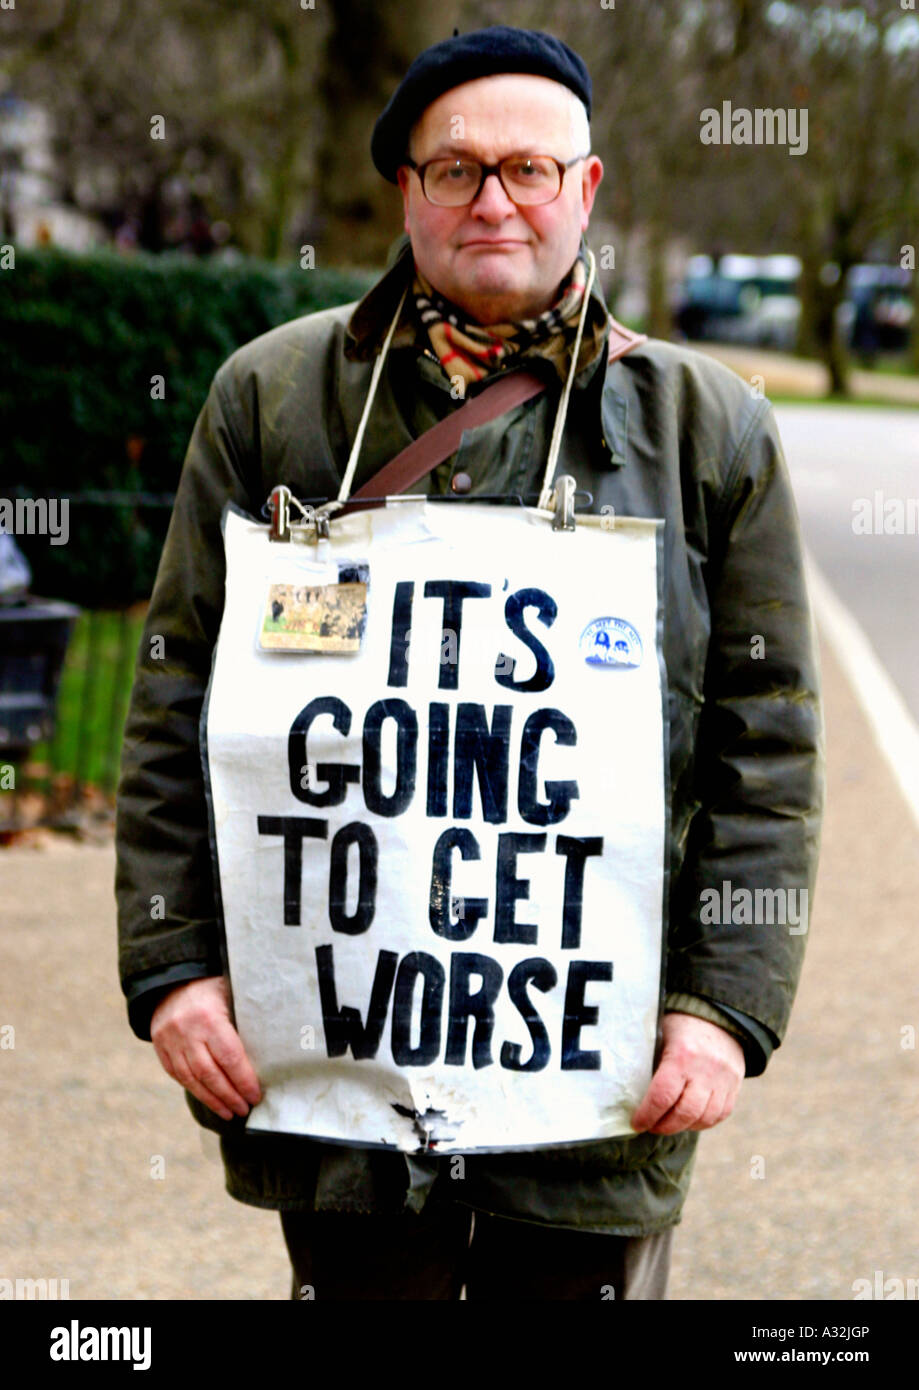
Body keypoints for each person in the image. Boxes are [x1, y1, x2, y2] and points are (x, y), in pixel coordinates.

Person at [116, 25, 823, 1301]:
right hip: (342, 1082)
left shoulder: (711, 430)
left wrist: (721, 1011)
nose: (493, 199)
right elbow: (174, 702)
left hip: (593, 1086)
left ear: (586, 189)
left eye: (528, 170)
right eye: (455, 170)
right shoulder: (272, 399)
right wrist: (175, 970)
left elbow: (764, 749)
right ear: (407, 189)